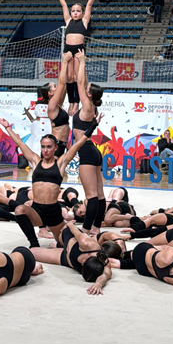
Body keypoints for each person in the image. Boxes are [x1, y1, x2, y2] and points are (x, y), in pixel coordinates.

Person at [0, 115, 99, 247]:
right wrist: (7, 127)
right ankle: (34, 244)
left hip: (53, 211)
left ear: (56, 147)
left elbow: (78, 144)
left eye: (49, 147)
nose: (45, 150)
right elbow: (20, 143)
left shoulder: (61, 163)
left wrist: (93, 126)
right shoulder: (35, 160)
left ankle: (59, 242)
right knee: (20, 210)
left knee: (65, 244)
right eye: (43, 147)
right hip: (37, 209)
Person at [55, 0, 99, 114]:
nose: (74, 13)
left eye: (78, 11)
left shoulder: (84, 21)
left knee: (77, 77)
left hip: (79, 50)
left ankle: (77, 102)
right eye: (73, 10)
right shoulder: (68, 21)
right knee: (68, 77)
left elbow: (90, 4)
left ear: (82, 13)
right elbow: (63, 5)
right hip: (68, 49)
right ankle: (71, 101)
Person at [30, 222, 112, 295]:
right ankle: (58, 245)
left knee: (33, 252)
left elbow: (106, 275)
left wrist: (99, 284)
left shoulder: (103, 261)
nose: (82, 263)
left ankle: (55, 246)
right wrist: (69, 224)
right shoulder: (87, 243)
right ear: (85, 260)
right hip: (68, 237)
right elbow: (73, 229)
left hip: (65, 258)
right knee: (32, 251)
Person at [74, 50, 105, 235]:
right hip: (92, 150)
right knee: (99, 195)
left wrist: (83, 61)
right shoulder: (91, 105)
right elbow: (83, 83)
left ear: (90, 95)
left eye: (88, 89)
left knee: (91, 196)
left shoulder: (87, 106)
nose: (85, 89)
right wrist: (81, 63)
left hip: (86, 151)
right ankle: (96, 227)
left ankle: (86, 230)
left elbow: (79, 83)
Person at [40, 52, 71, 158]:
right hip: (55, 144)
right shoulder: (52, 105)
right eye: (54, 87)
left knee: (57, 174)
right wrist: (65, 62)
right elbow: (62, 84)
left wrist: (70, 64)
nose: (57, 87)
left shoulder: (57, 104)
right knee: (50, 173)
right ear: (50, 93)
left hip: (62, 144)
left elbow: (65, 84)